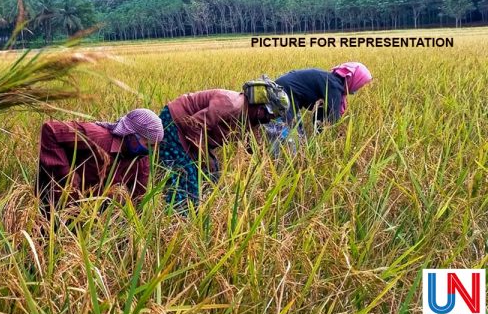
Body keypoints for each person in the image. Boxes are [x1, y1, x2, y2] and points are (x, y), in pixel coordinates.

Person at [157, 78, 290, 210]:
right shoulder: (231, 104)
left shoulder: (251, 118)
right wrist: (205, 158)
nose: (269, 120)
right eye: (270, 116)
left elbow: (252, 144)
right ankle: (178, 215)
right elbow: (194, 125)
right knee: (185, 175)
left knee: (213, 175)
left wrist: (261, 169)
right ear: (261, 109)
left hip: (195, 134)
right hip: (175, 123)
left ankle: (201, 208)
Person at [36, 109, 164, 213]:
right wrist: (67, 175)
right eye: (149, 145)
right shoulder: (95, 137)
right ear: (130, 135)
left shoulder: (141, 159)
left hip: (90, 212)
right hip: (55, 202)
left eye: (156, 146)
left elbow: (138, 197)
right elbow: (50, 130)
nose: (153, 151)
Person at [274, 62, 373, 135]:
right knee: (286, 134)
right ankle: (276, 157)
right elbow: (334, 119)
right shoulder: (334, 87)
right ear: (354, 80)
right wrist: (339, 136)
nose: (358, 88)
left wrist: (320, 133)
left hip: (283, 90)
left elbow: (321, 114)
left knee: (298, 133)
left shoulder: (330, 81)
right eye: (360, 85)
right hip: (284, 93)